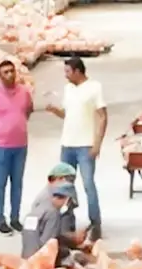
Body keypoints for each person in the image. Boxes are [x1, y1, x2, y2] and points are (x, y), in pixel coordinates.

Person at [43, 57, 106, 240]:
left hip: (85, 145)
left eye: (68, 72)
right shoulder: (68, 89)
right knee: (65, 185)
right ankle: (67, 221)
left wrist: (97, 143)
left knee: (88, 185)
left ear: (78, 71)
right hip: (67, 143)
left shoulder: (94, 88)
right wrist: (55, 111)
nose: (66, 76)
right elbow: (68, 114)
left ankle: (96, 222)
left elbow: (102, 116)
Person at [0, 59, 33, 234]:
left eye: (12, 71)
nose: (10, 75)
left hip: (20, 145)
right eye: (6, 72)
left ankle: (15, 218)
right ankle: (0, 219)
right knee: (1, 183)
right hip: (1, 146)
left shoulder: (24, 93)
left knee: (17, 183)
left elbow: (28, 111)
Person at [20, 182, 87, 267]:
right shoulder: (53, 213)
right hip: (38, 262)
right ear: (67, 199)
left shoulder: (39, 209)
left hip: (25, 258)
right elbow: (49, 244)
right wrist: (71, 249)